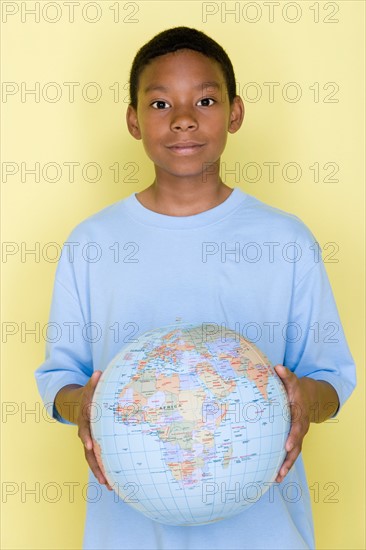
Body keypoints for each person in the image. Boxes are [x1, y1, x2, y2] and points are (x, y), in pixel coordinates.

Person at [35, 26, 356, 550]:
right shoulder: (92, 243)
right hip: (129, 533)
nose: (183, 118)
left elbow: (330, 381)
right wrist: (85, 407)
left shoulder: (285, 240)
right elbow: (60, 380)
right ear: (133, 121)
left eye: (205, 100)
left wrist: (304, 401)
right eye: (160, 103)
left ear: (235, 112)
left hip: (267, 533)